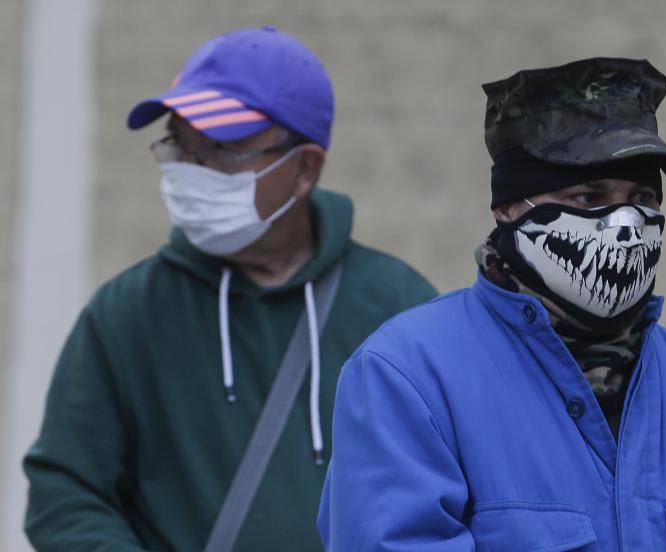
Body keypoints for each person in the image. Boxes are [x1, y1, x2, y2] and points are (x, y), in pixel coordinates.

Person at [318, 58, 666, 550]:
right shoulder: (410, 377)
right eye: (590, 198)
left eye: (643, 198)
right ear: (509, 206)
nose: (627, 225)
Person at [24, 26, 436, 551]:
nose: (192, 173)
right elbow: (65, 491)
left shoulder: (399, 309)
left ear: (304, 168)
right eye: (179, 145)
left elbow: (456, 489)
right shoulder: (127, 313)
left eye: (222, 150)